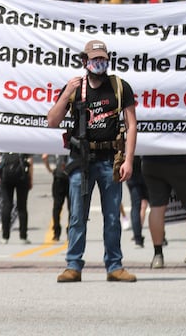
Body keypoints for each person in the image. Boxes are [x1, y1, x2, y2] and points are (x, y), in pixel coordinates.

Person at [46, 38, 137, 283]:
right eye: (94, 58)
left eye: (103, 59)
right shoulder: (75, 87)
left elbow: (131, 124)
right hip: (81, 161)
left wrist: (128, 160)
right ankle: (73, 265)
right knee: (77, 214)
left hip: (111, 160)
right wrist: (65, 94)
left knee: (111, 216)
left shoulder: (119, 86)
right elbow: (52, 121)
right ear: (85, 61)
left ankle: (114, 266)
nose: (99, 63)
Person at [0, 152, 33, 243]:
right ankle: (23, 236)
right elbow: (30, 162)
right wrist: (30, 179)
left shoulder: (5, 143)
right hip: (22, 177)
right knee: (22, 206)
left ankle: (5, 237)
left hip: (6, 177)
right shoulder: (24, 143)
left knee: (6, 206)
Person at [42, 153, 70, 241]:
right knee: (71, 208)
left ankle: (57, 233)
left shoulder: (56, 144)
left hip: (58, 177)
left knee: (57, 208)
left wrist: (50, 170)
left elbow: (44, 157)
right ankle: (69, 231)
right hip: (70, 176)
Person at [126, 155, 149, 248]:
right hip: (148, 168)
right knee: (156, 206)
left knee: (135, 206)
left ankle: (137, 238)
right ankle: (161, 236)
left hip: (133, 171)